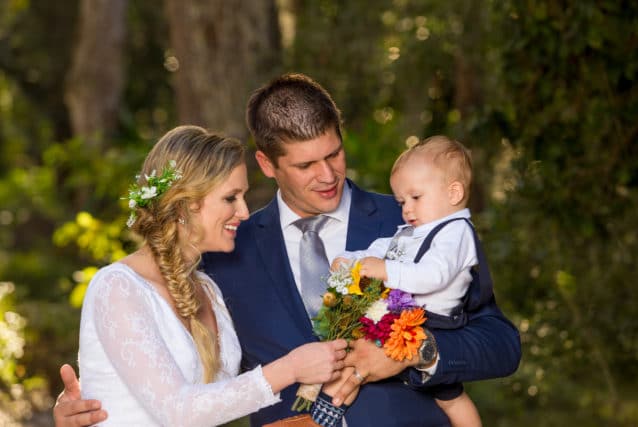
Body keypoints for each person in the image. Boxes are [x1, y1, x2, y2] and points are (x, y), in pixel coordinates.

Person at [54, 74, 521, 427]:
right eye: (305, 164)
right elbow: (191, 380)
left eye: (334, 154)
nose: (327, 175)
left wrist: (417, 352)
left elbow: (500, 344)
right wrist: (97, 404)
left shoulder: (415, 220)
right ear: (267, 164)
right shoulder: (222, 256)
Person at [71, 125, 348, 426]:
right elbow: (179, 412)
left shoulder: (209, 290)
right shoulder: (117, 287)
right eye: (231, 198)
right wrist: (291, 369)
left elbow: (227, 394)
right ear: (183, 206)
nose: (244, 212)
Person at [331, 135, 485, 427]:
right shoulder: (416, 229)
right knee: (353, 358)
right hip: (403, 318)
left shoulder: (457, 232)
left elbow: (433, 274)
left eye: (416, 197)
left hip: (436, 324)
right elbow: (383, 249)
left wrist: (386, 270)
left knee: (450, 397)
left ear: (453, 193)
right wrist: (350, 259)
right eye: (402, 201)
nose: (406, 209)